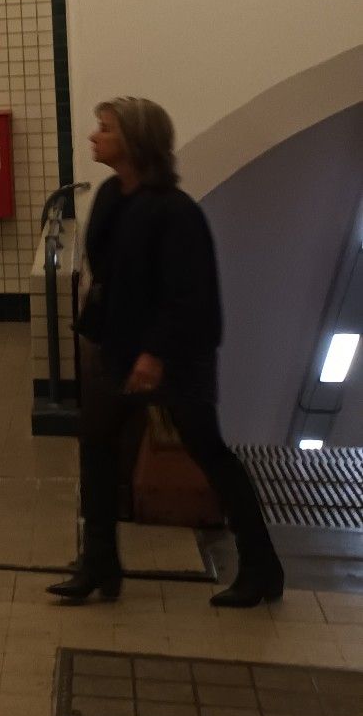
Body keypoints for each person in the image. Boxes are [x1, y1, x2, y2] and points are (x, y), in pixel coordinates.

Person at [47, 96, 284, 610]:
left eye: (104, 129)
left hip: (177, 356)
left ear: (134, 140)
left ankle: (262, 567)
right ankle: (100, 563)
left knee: (208, 453)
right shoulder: (112, 195)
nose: (94, 136)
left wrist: (154, 354)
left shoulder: (177, 213)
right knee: (96, 445)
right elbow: (110, 274)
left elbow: (190, 294)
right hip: (121, 349)